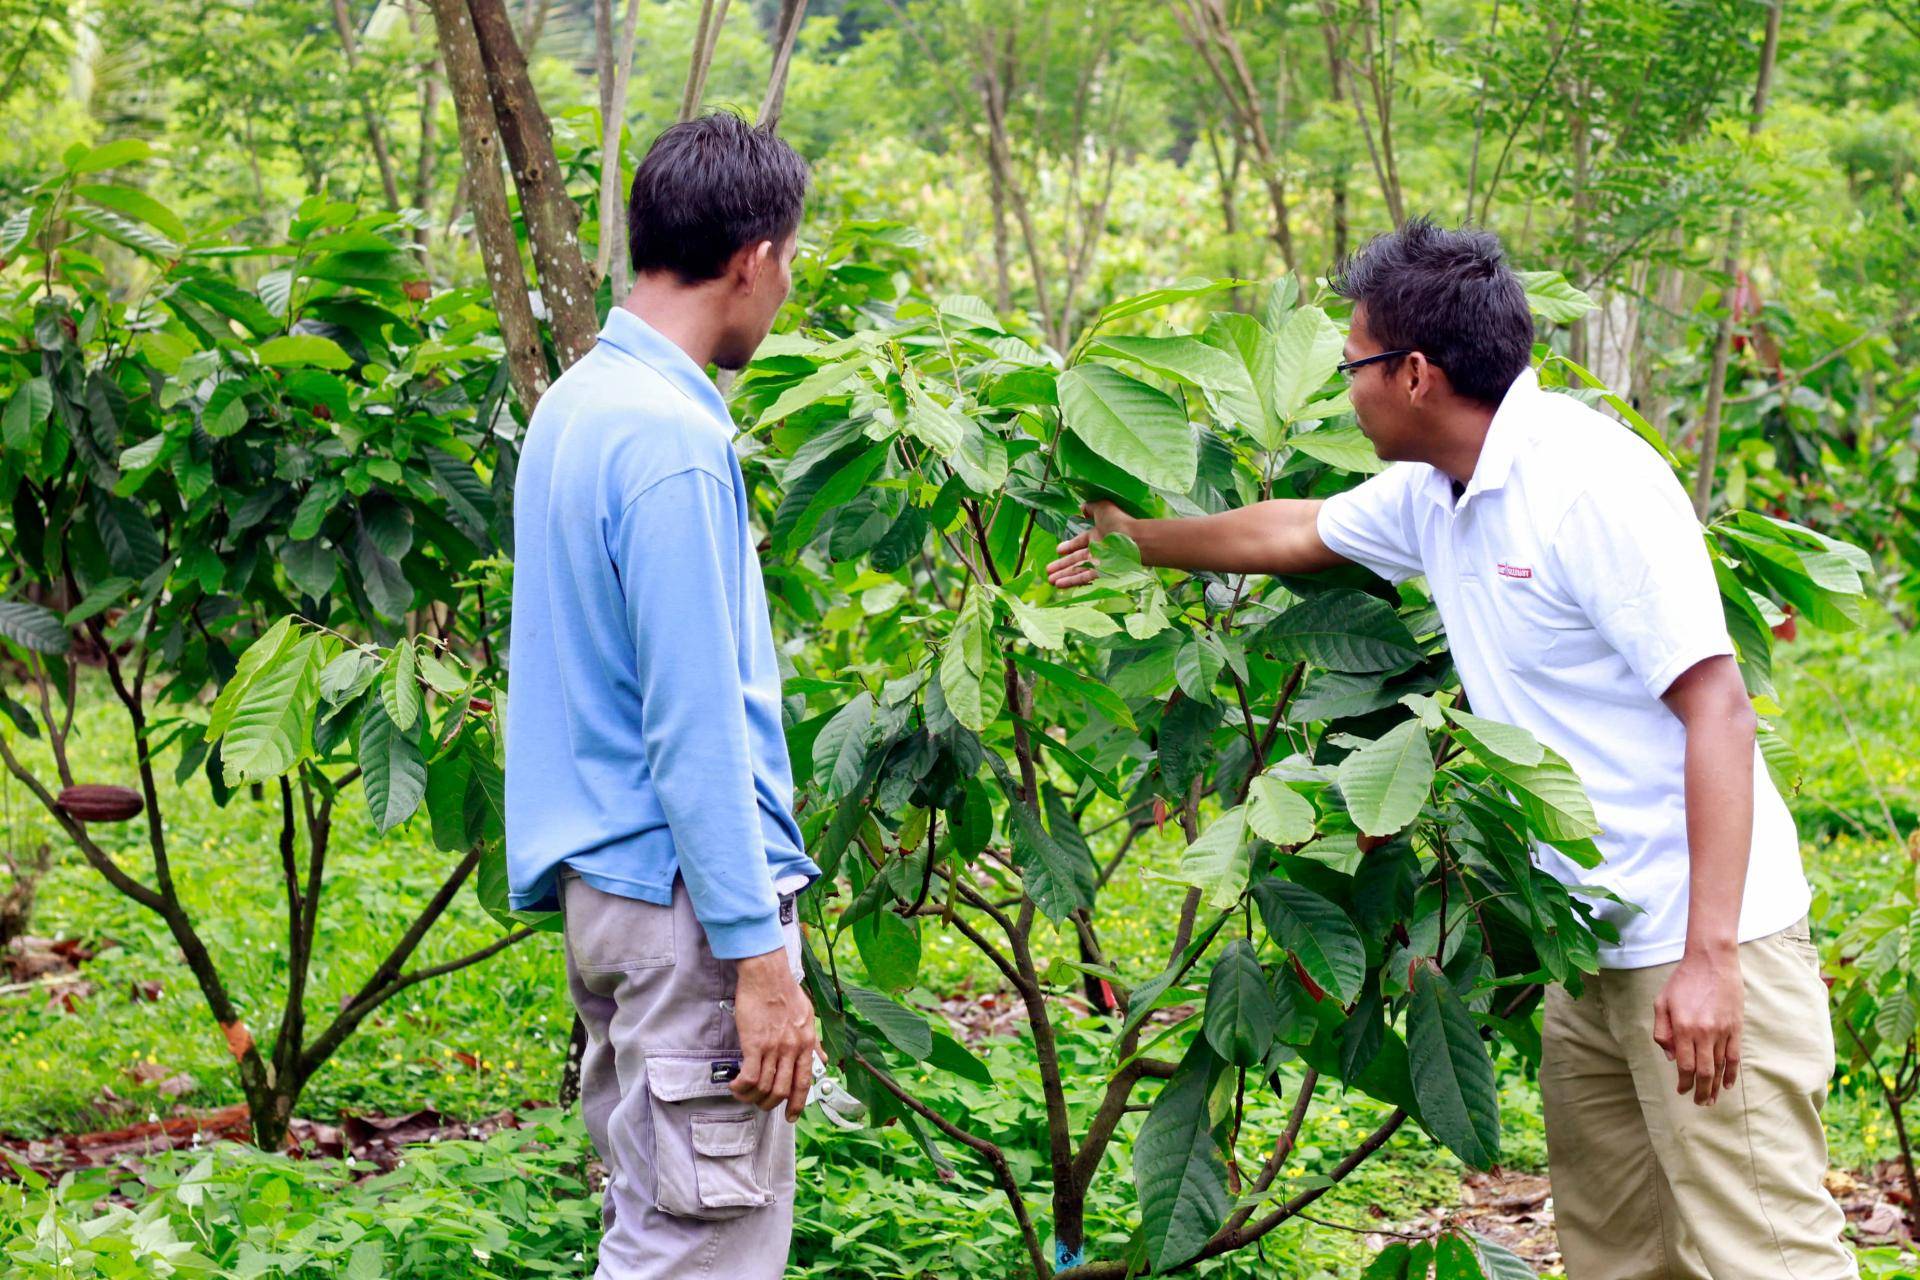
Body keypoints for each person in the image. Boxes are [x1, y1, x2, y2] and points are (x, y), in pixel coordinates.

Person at [1047, 218, 1855, 1279]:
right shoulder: (1441, 489)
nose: (1344, 390)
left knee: (1763, 1256)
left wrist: (1708, 962)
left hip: (1702, 941)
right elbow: (1298, 529)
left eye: (1351, 366)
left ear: (1415, 373)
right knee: (1621, 1254)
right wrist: (1136, 541)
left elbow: (1720, 709)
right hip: (1590, 943)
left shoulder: (1585, 483)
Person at [504, 112, 821, 1280]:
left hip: (608, 894)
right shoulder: (674, 441)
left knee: (654, 1230)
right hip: (687, 899)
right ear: (754, 257)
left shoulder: (576, 405)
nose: (782, 289)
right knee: (699, 1252)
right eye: (787, 261)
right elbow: (693, 725)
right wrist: (759, 959)